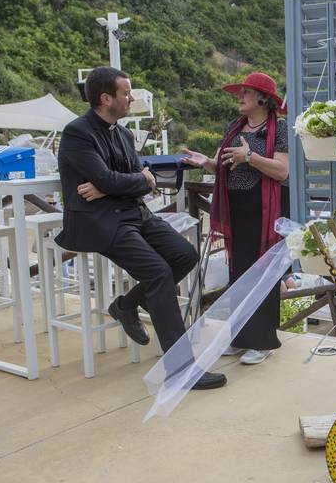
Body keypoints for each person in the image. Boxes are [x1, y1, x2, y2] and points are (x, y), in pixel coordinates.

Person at [56, 67, 226, 390]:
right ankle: (181, 368)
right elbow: (128, 178)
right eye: (126, 93)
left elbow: (140, 182)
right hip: (100, 221)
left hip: (134, 214)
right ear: (106, 98)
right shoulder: (77, 133)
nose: (131, 98)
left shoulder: (123, 134)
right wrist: (125, 182)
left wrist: (117, 184)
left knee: (185, 255)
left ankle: (129, 303)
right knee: (159, 273)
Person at [182, 72, 289, 365]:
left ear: (262, 98)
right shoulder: (234, 127)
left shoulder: (278, 128)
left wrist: (249, 157)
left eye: (246, 92)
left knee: (263, 272)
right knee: (238, 272)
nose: (239, 96)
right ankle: (240, 336)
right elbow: (223, 167)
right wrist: (206, 162)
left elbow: (282, 172)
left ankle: (263, 339)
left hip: (263, 208)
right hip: (235, 207)